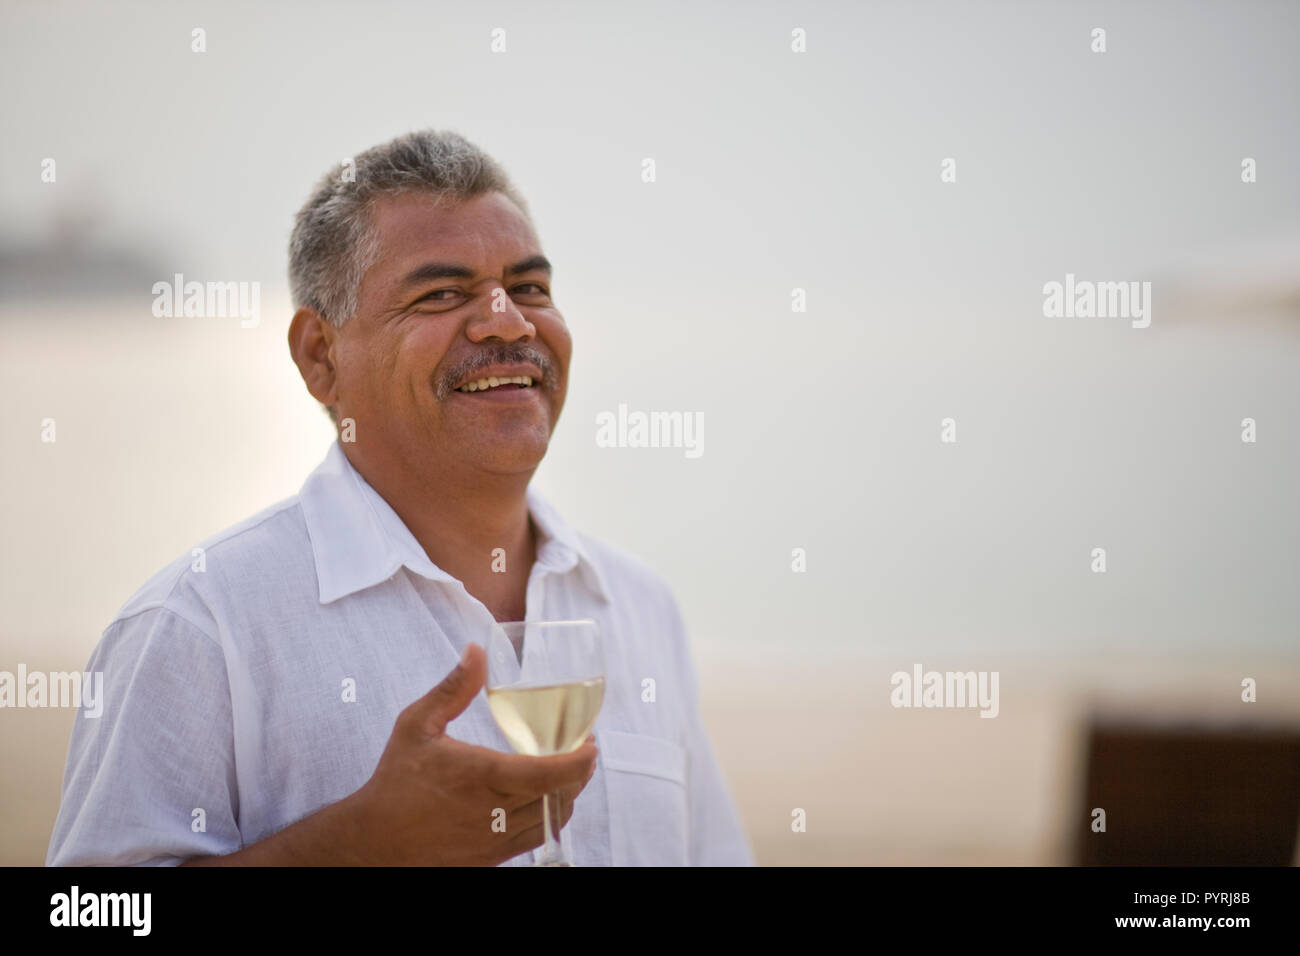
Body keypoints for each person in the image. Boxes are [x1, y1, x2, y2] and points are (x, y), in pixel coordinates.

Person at [46, 129, 754, 867]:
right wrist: (358, 847)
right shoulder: (200, 630)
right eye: (442, 293)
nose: (507, 320)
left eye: (531, 288)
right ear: (321, 357)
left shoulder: (639, 608)